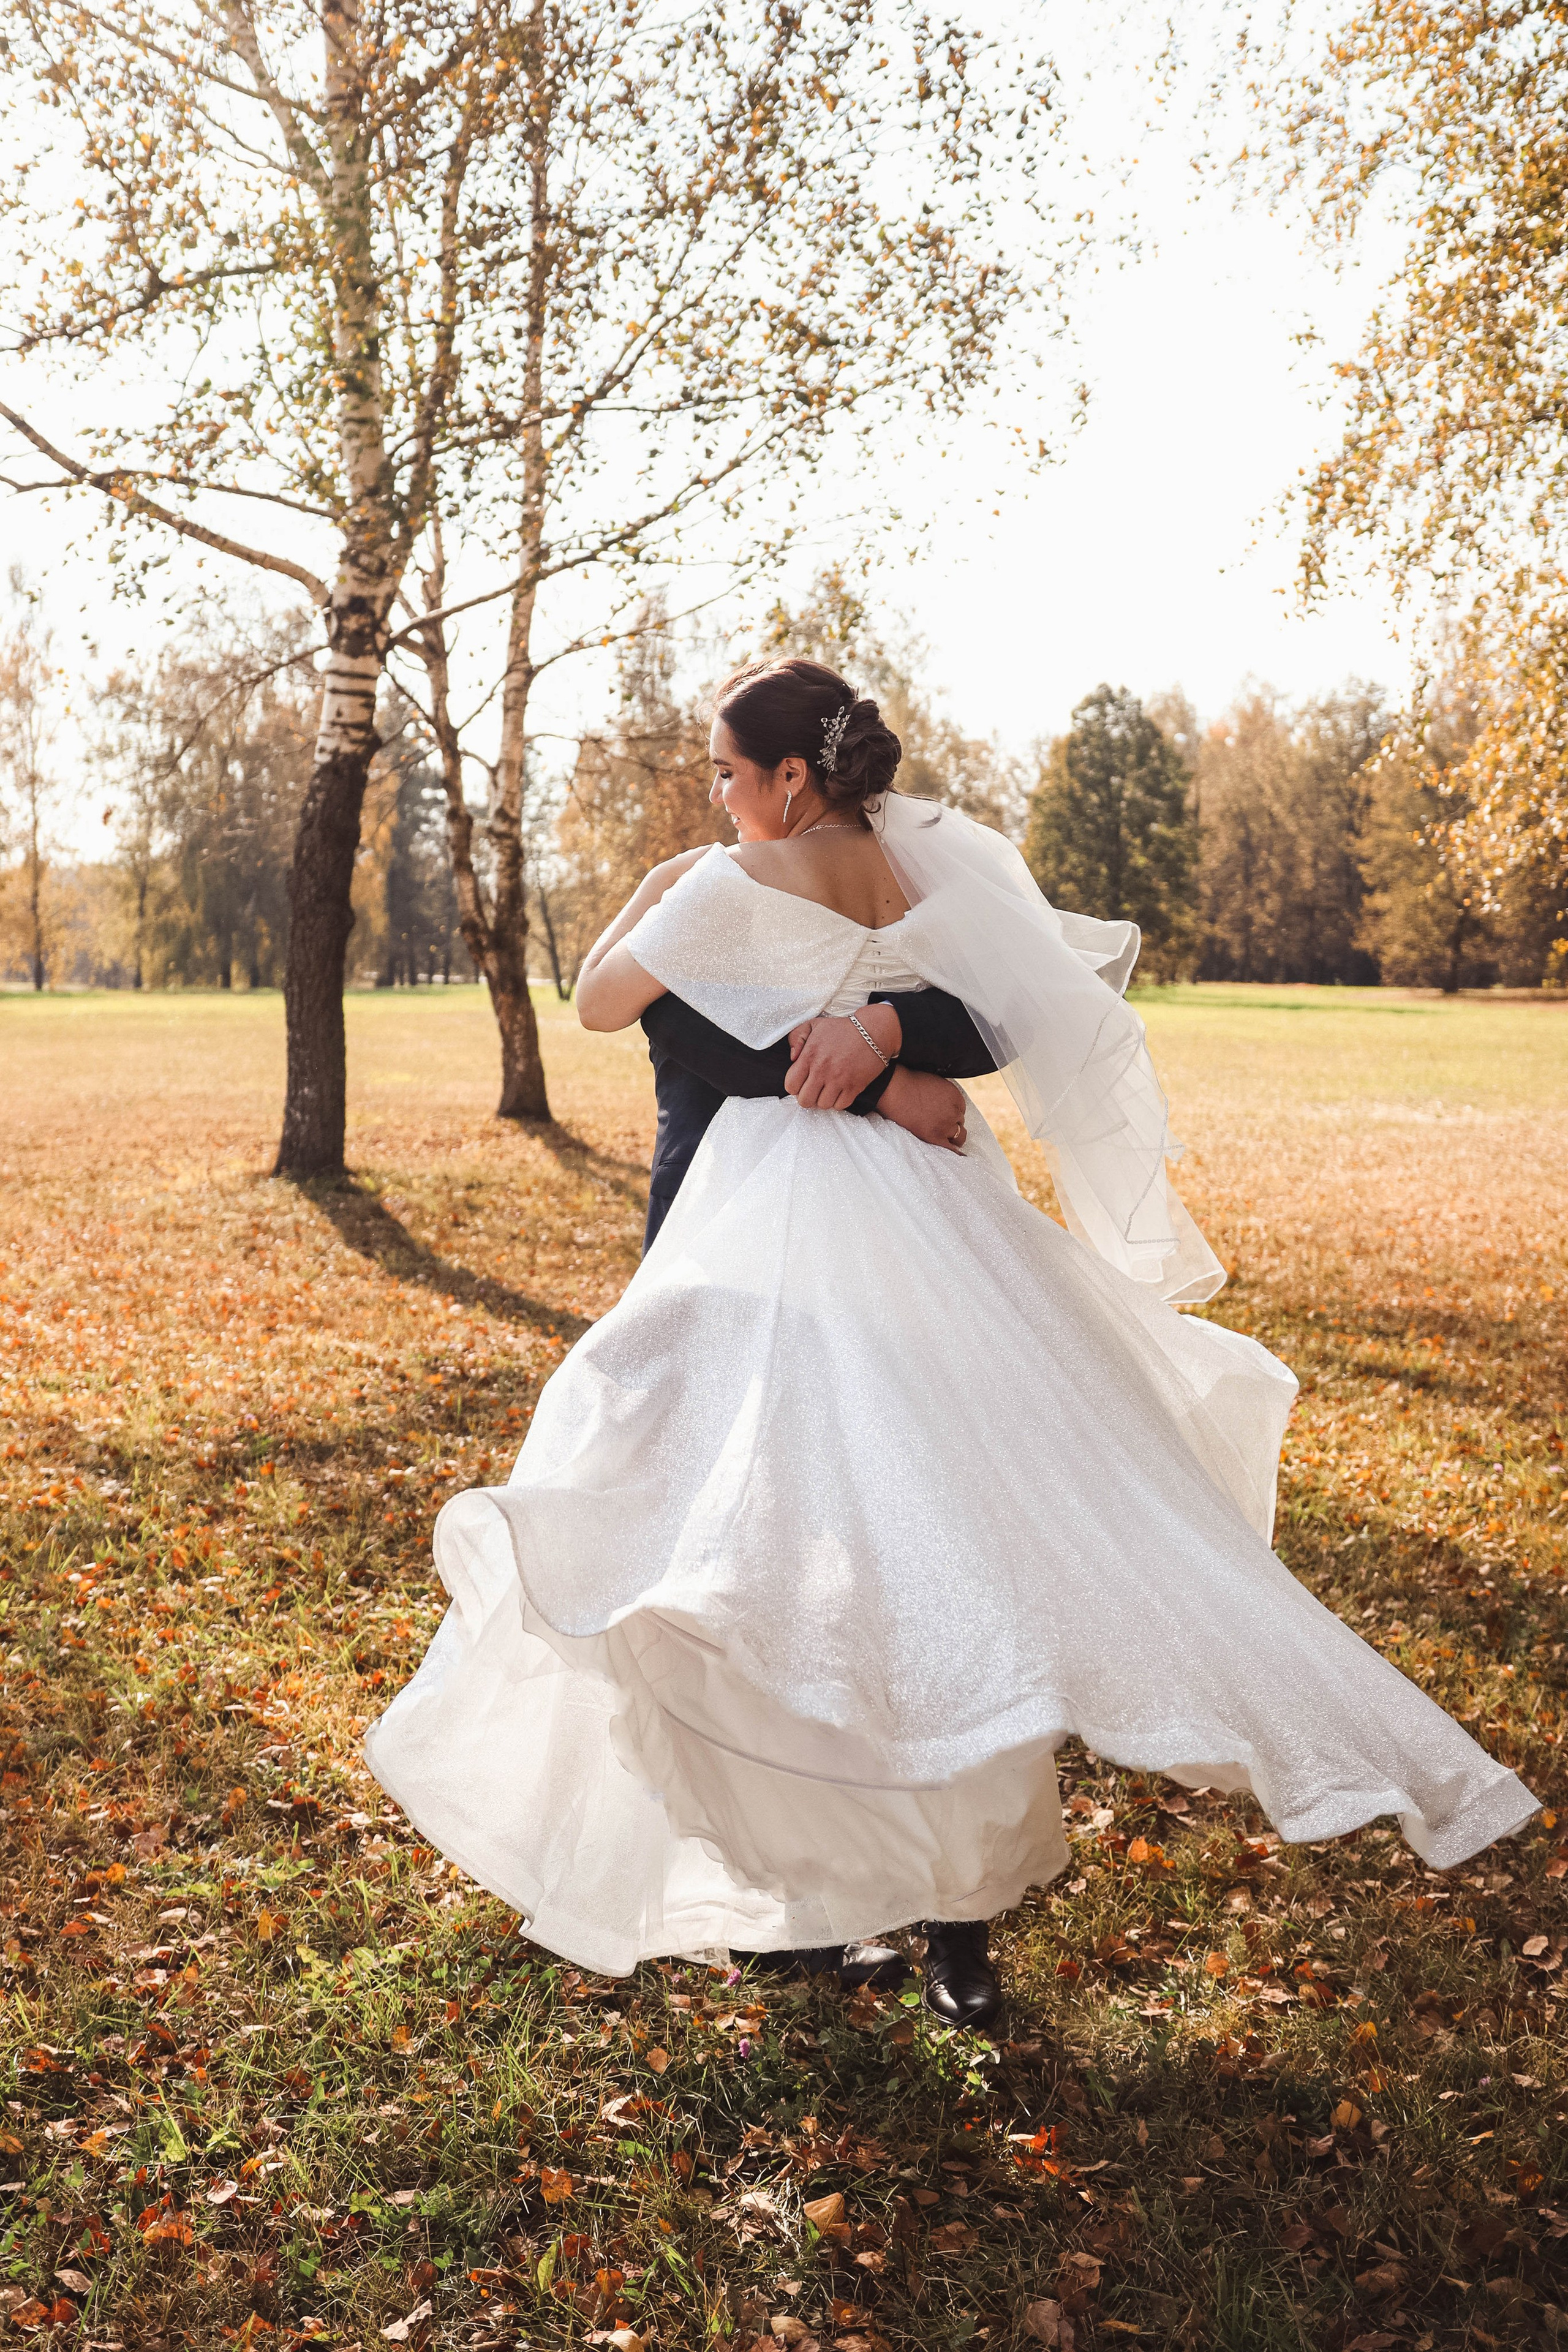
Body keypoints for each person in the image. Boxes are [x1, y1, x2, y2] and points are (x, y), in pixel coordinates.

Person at [366, 655, 1537, 2037]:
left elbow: (608, 1004)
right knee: (943, 1548)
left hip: (777, 1252)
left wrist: (789, 972)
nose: (714, 795)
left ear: (790, 777)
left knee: (782, 1561)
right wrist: (895, 1058)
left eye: (726, 774)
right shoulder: (926, 871)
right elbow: (1012, 1008)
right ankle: (937, 1928)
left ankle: (828, 1912)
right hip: (941, 1245)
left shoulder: (721, 887)